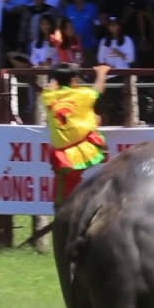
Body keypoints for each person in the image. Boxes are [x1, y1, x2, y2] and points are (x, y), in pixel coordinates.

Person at [42, 62, 110, 207]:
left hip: (63, 154)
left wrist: (58, 76)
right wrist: (101, 73)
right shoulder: (83, 94)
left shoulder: (48, 96)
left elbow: (51, 86)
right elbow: (98, 89)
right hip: (83, 147)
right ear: (74, 80)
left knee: (63, 194)